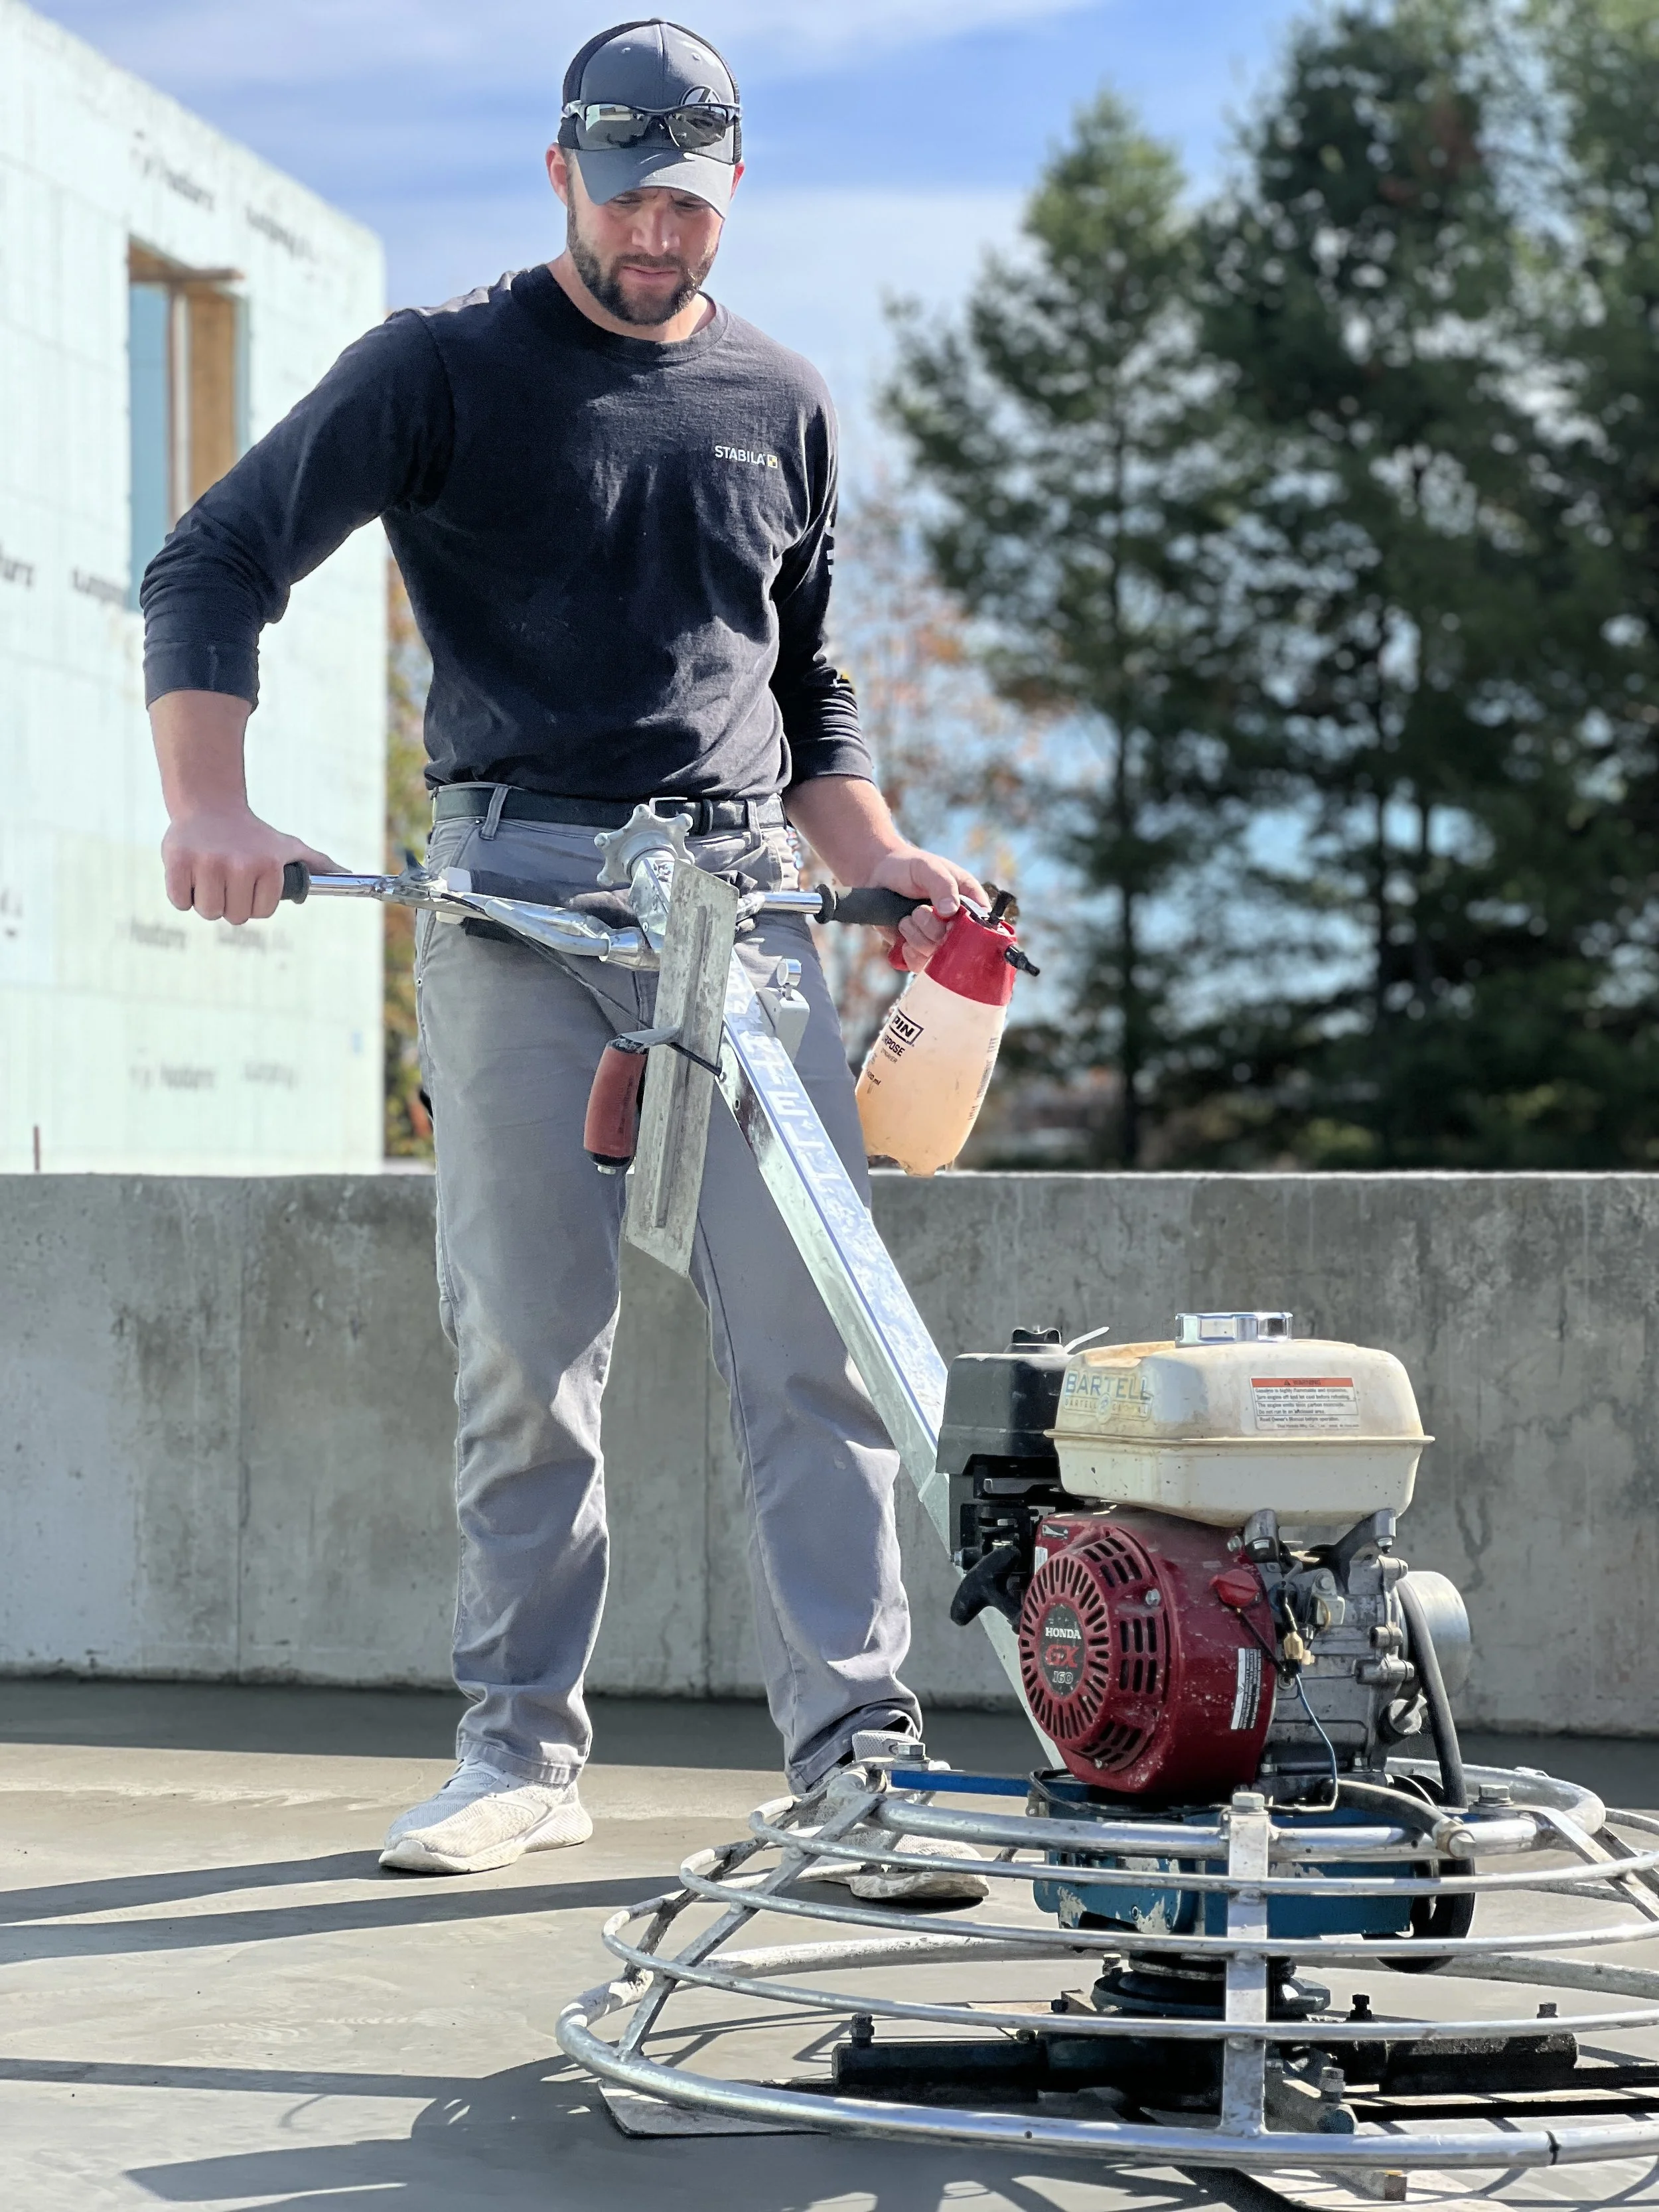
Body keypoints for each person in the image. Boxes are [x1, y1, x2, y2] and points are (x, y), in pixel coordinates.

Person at [143, 17, 987, 1894]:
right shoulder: (438, 370)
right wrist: (214, 796)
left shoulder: (781, 395)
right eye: (623, 201)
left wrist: (881, 853)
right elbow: (212, 558)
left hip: (749, 911)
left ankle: (856, 1765)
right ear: (559, 178)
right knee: (532, 1349)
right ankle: (517, 1749)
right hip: (519, 903)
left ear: (732, 188)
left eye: (688, 204)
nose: (655, 239)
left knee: (815, 1348)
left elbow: (806, 673)